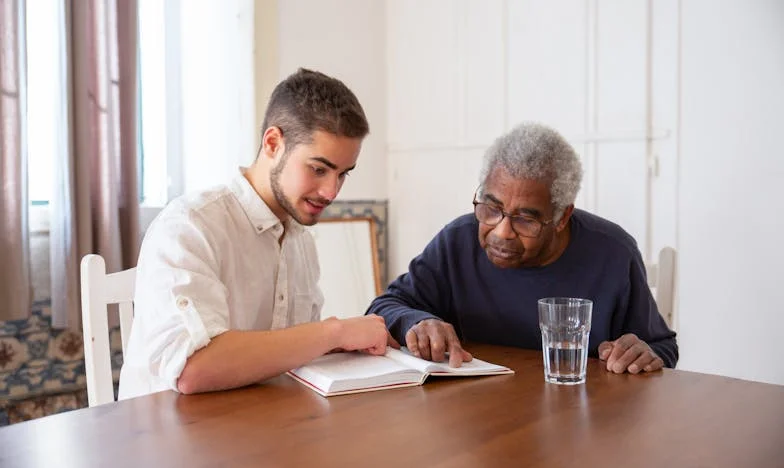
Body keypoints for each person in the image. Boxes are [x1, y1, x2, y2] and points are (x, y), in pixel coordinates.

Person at [119, 68, 394, 399]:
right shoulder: (190, 225)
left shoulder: (301, 241)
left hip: (256, 427)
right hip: (167, 438)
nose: (331, 192)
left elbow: (296, 355)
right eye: (318, 169)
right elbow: (193, 369)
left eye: (342, 174)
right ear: (273, 143)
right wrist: (335, 332)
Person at [367, 122, 678, 374]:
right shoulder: (457, 241)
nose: (501, 232)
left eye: (525, 220)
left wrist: (640, 353)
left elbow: (661, 348)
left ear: (561, 217)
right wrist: (417, 321)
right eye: (491, 208)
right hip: (478, 421)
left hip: (579, 423)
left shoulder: (613, 253)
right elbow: (384, 306)